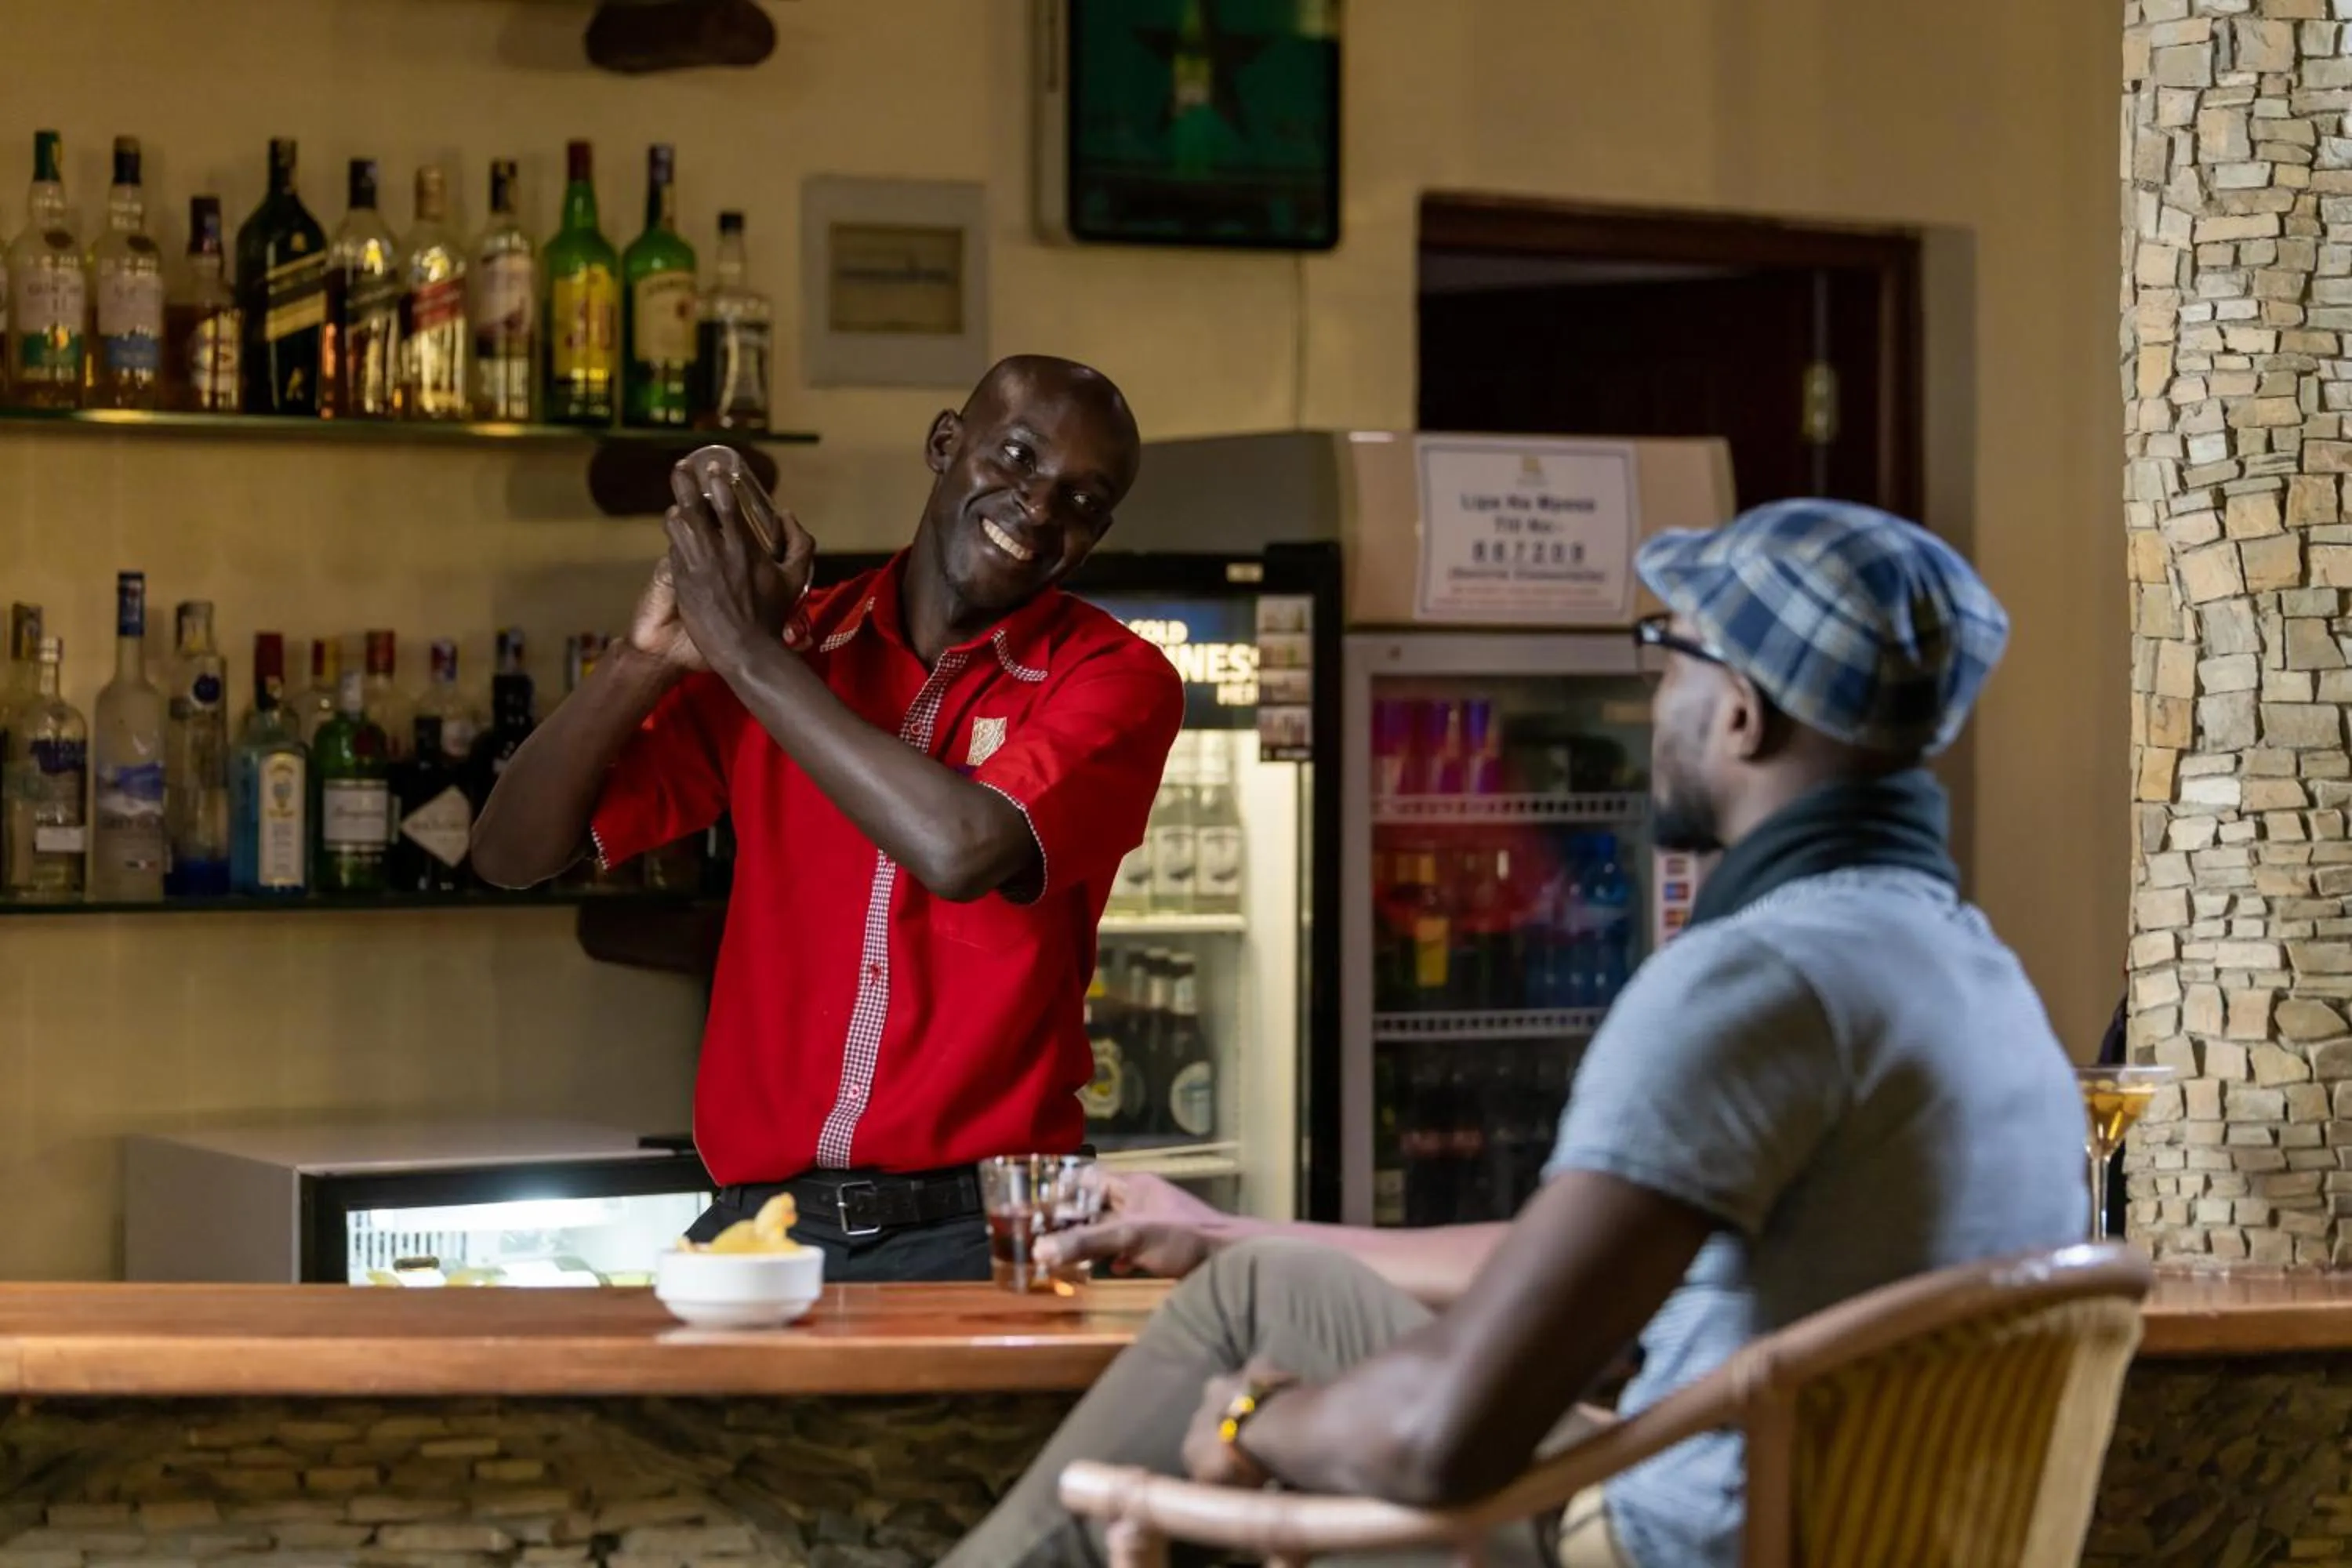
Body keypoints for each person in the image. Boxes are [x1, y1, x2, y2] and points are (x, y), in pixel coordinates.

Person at [942, 499, 2089, 1568]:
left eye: (1670, 653)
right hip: (1846, 1530)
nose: (1657, 699)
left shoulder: (1753, 985)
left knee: (1246, 1363)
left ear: (1742, 711)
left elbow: (1440, 1437)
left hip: (1666, 1548)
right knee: (1261, 1283)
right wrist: (1221, 1230)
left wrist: (1258, 1419)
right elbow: (1572, 1261)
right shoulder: (1974, 968)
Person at [470, 355, 1183, 1282]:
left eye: (1082, 501)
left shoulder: (1117, 678)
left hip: (986, 1232)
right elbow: (510, 850)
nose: (1040, 508)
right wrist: (648, 658)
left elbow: (962, 848)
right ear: (944, 442)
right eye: (1015, 457)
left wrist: (746, 652)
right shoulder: (803, 646)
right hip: (759, 1228)